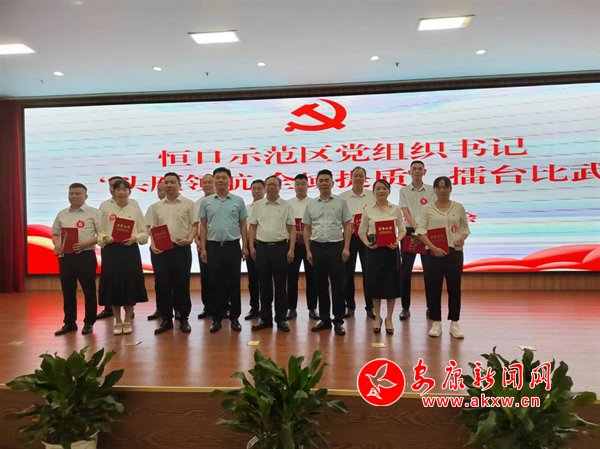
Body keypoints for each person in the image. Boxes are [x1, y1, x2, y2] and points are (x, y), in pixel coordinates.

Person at [417, 176, 471, 339]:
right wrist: (434, 248)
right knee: (433, 287)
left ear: (450, 189)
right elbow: (421, 231)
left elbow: (465, 228)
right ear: (434, 189)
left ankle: (454, 322)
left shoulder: (458, 207)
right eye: (439, 187)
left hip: (454, 252)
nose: (442, 190)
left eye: (445, 187)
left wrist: (462, 238)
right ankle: (436, 322)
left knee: (454, 287)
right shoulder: (427, 208)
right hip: (433, 253)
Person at [147, 172, 198, 335]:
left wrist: (189, 239)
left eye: (172, 182)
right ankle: (166, 319)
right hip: (162, 251)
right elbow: (150, 227)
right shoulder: (156, 206)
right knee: (163, 285)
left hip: (181, 248)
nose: (169, 185)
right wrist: (153, 244)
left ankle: (183, 319)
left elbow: (195, 224)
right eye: (166, 182)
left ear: (179, 185)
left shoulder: (188, 204)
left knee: (182, 284)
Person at [302, 169, 352, 336]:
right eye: (321, 180)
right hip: (317, 247)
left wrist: (346, 247)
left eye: (327, 180)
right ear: (316, 183)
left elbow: (347, 225)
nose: (324, 183)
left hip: (336, 246)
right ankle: (324, 319)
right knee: (320, 284)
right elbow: (307, 228)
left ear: (332, 183)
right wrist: (308, 250)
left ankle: (338, 321)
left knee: (338, 285)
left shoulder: (341, 202)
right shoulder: (311, 204)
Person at [199, 167, 248, 333]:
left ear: (229, 180)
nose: (220, 180)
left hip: (232, 246)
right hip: (213, 246)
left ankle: (235, 318)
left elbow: (243, 224)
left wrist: (245, 246)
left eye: (224, 177)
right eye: (218, 178)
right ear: (214, 180)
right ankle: (217, 318)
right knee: (215, 283)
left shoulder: (238, 200)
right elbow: (203, 225)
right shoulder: (206, 202)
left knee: (234, 282)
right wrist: (203, 247)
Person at [98, 179, 149, 335]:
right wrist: (105, 238)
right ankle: (117, 321)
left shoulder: (135, 211)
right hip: (112, 252)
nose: (121, 192)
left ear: (129, 192)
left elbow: (144, 234)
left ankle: (127, 320)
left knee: (129, 285)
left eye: (124, 189)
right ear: (113, 191)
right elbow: (100, 233)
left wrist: (135, 238)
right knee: (113, 286)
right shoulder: (107, 211)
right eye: (118, 189)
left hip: (129, 251)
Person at [51, 183, 101, 336]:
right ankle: (69, 322)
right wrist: (57, 245)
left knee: (89, 291)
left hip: (85, 256)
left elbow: (102, 234)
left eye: (77, 193)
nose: (74, 196)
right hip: (66, 257)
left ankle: (89, 322)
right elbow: (55, 233)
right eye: (71, 193)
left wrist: (85, 244)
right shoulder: (62, 214)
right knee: (68, 291)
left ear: (86, 196)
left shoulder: (94, 213)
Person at [358, 180, 406, 334]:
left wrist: (397, 240)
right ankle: (378, 317)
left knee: (391, 284)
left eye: (384, 188)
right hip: (374, 251)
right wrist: (367, 243)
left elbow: (402, 229)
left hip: (391, 250)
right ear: (373, 192)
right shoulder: (368, 210)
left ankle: (389, 318)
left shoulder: (396, 209)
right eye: (378, 188)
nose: (381, 191)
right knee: (375, 284)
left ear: (389, 191)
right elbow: (361, 231)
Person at [248, 176, 295, 332]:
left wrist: (291, 249)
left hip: (281, 247)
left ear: (280, 187)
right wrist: (251, 246)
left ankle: (281, 318)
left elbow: (292, 229)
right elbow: (252, 227)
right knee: (264, 284)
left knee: (281, 285)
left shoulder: (286, 205)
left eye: (275, 185)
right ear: (265, 187)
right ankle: (265, 318)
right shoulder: (258, 205)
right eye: (269, 185)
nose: (271, 187)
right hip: (262, 248)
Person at [398, 160, 436, 320]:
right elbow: (404, 211)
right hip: (409, 232)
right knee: (405, 272)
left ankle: (431, 307)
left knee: (430, 272)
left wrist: (421, 230)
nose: (417, 171)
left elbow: (433, 210)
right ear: (409, 172)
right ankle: (405, 308)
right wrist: (415, 228)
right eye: (414, 169)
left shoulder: (431, 190)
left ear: (424, 172)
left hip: (427, 232)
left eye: (420, 169)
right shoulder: (404, 190)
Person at [339, 167, 376, 319]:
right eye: (356, 175)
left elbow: (377, 215)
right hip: (349, 238)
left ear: (365, 178)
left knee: (369, 272)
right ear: (351, 177)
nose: (358, 178)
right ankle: (349, 305)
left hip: (367, 237)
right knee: (348, 273)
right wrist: (347, 225)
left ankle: (371, 306)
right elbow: (338, 218)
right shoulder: (343, 197)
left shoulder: (372, 196)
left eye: (361, 176)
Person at [286, 174, 319, 320]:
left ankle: (313, 308)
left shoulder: (314, 203)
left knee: (312, 277)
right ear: (294, 186)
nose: (300, 186)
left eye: (303, 184)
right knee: (291, 277)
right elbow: (285, 224)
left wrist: (305, 234)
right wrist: (296, 234)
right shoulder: (287, 204)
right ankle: (291, 308)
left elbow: (317, 223)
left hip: (310, 245)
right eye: (297, 184)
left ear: (308, 186)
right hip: (292, 244)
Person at [145, 182, 179, 321]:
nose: (162, 192)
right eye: (159, 190)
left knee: (177, 281)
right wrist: (154, 236)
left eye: (164, 189)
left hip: (176, 247)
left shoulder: (180, 206)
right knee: (160, 281)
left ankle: (178, 309)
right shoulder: (154, 207)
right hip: (158, 247)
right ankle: (161, 309)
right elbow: (147, 226)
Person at [193, 174, 215, 319]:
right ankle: (207, 307)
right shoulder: (197, 203)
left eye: (209, 182)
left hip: (217, 241)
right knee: (205, 276)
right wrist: (196, 240)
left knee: (220, 275)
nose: (207, 185)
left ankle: (224, 306)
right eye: (204, 182)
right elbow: (194, 224)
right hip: (202, 242)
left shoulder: (221, 200)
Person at [244, 179, 265, 320]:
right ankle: (254, 307)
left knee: (265, 278)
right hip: (250, 244)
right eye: (254, 188)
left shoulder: (269, 207)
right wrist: (246, 246)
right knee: (252, 277)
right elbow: (243, 228)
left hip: (265, 245)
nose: (256, 191)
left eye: (259, 188)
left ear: (264, 190)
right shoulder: (246, 208)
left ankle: (265, 308)